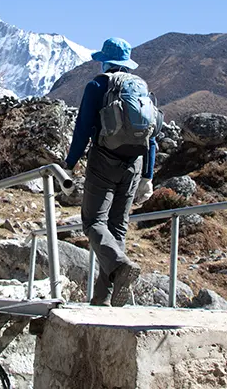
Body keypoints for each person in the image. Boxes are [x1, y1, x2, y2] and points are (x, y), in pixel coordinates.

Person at [64, 37, 160, 307]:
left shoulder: (97, 85)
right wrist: (148, 176)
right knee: (117, 226)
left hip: (104, 160)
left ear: (104, 60)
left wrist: (70, 164)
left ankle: (119, 267)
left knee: (93, 221)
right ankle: (104, 297)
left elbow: (83, 128)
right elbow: (152, 136)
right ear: (127, 64)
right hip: (135, 163)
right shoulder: (141, 88)